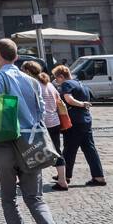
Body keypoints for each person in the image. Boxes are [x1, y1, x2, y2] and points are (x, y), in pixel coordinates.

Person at [0, 39, 65, 224]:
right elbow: (40, 112)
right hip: (31, 144)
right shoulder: (32, 81)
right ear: (16, 57)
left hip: (6, 144)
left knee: (9, 199)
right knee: (35, 198)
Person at [53, 63, 107, 187]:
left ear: (61, 76)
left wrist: (82, 104)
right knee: (90, 149)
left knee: (69, 149)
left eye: (56, 78)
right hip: (86, 120)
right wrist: (84, 105)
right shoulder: (81, 84)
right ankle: (99, 177)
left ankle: (65, 176)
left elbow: (69, 99)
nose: (56, 81)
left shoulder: (67, 84)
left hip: (74, 122)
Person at [24, 61, 67, 190]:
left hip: (42, 123)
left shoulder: (33, 85)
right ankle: (63, 181)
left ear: (28, 72)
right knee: (57, 151)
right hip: (55, 122)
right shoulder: (49, 84)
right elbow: (58, 101)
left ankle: (34, 182)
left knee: (35, 152)